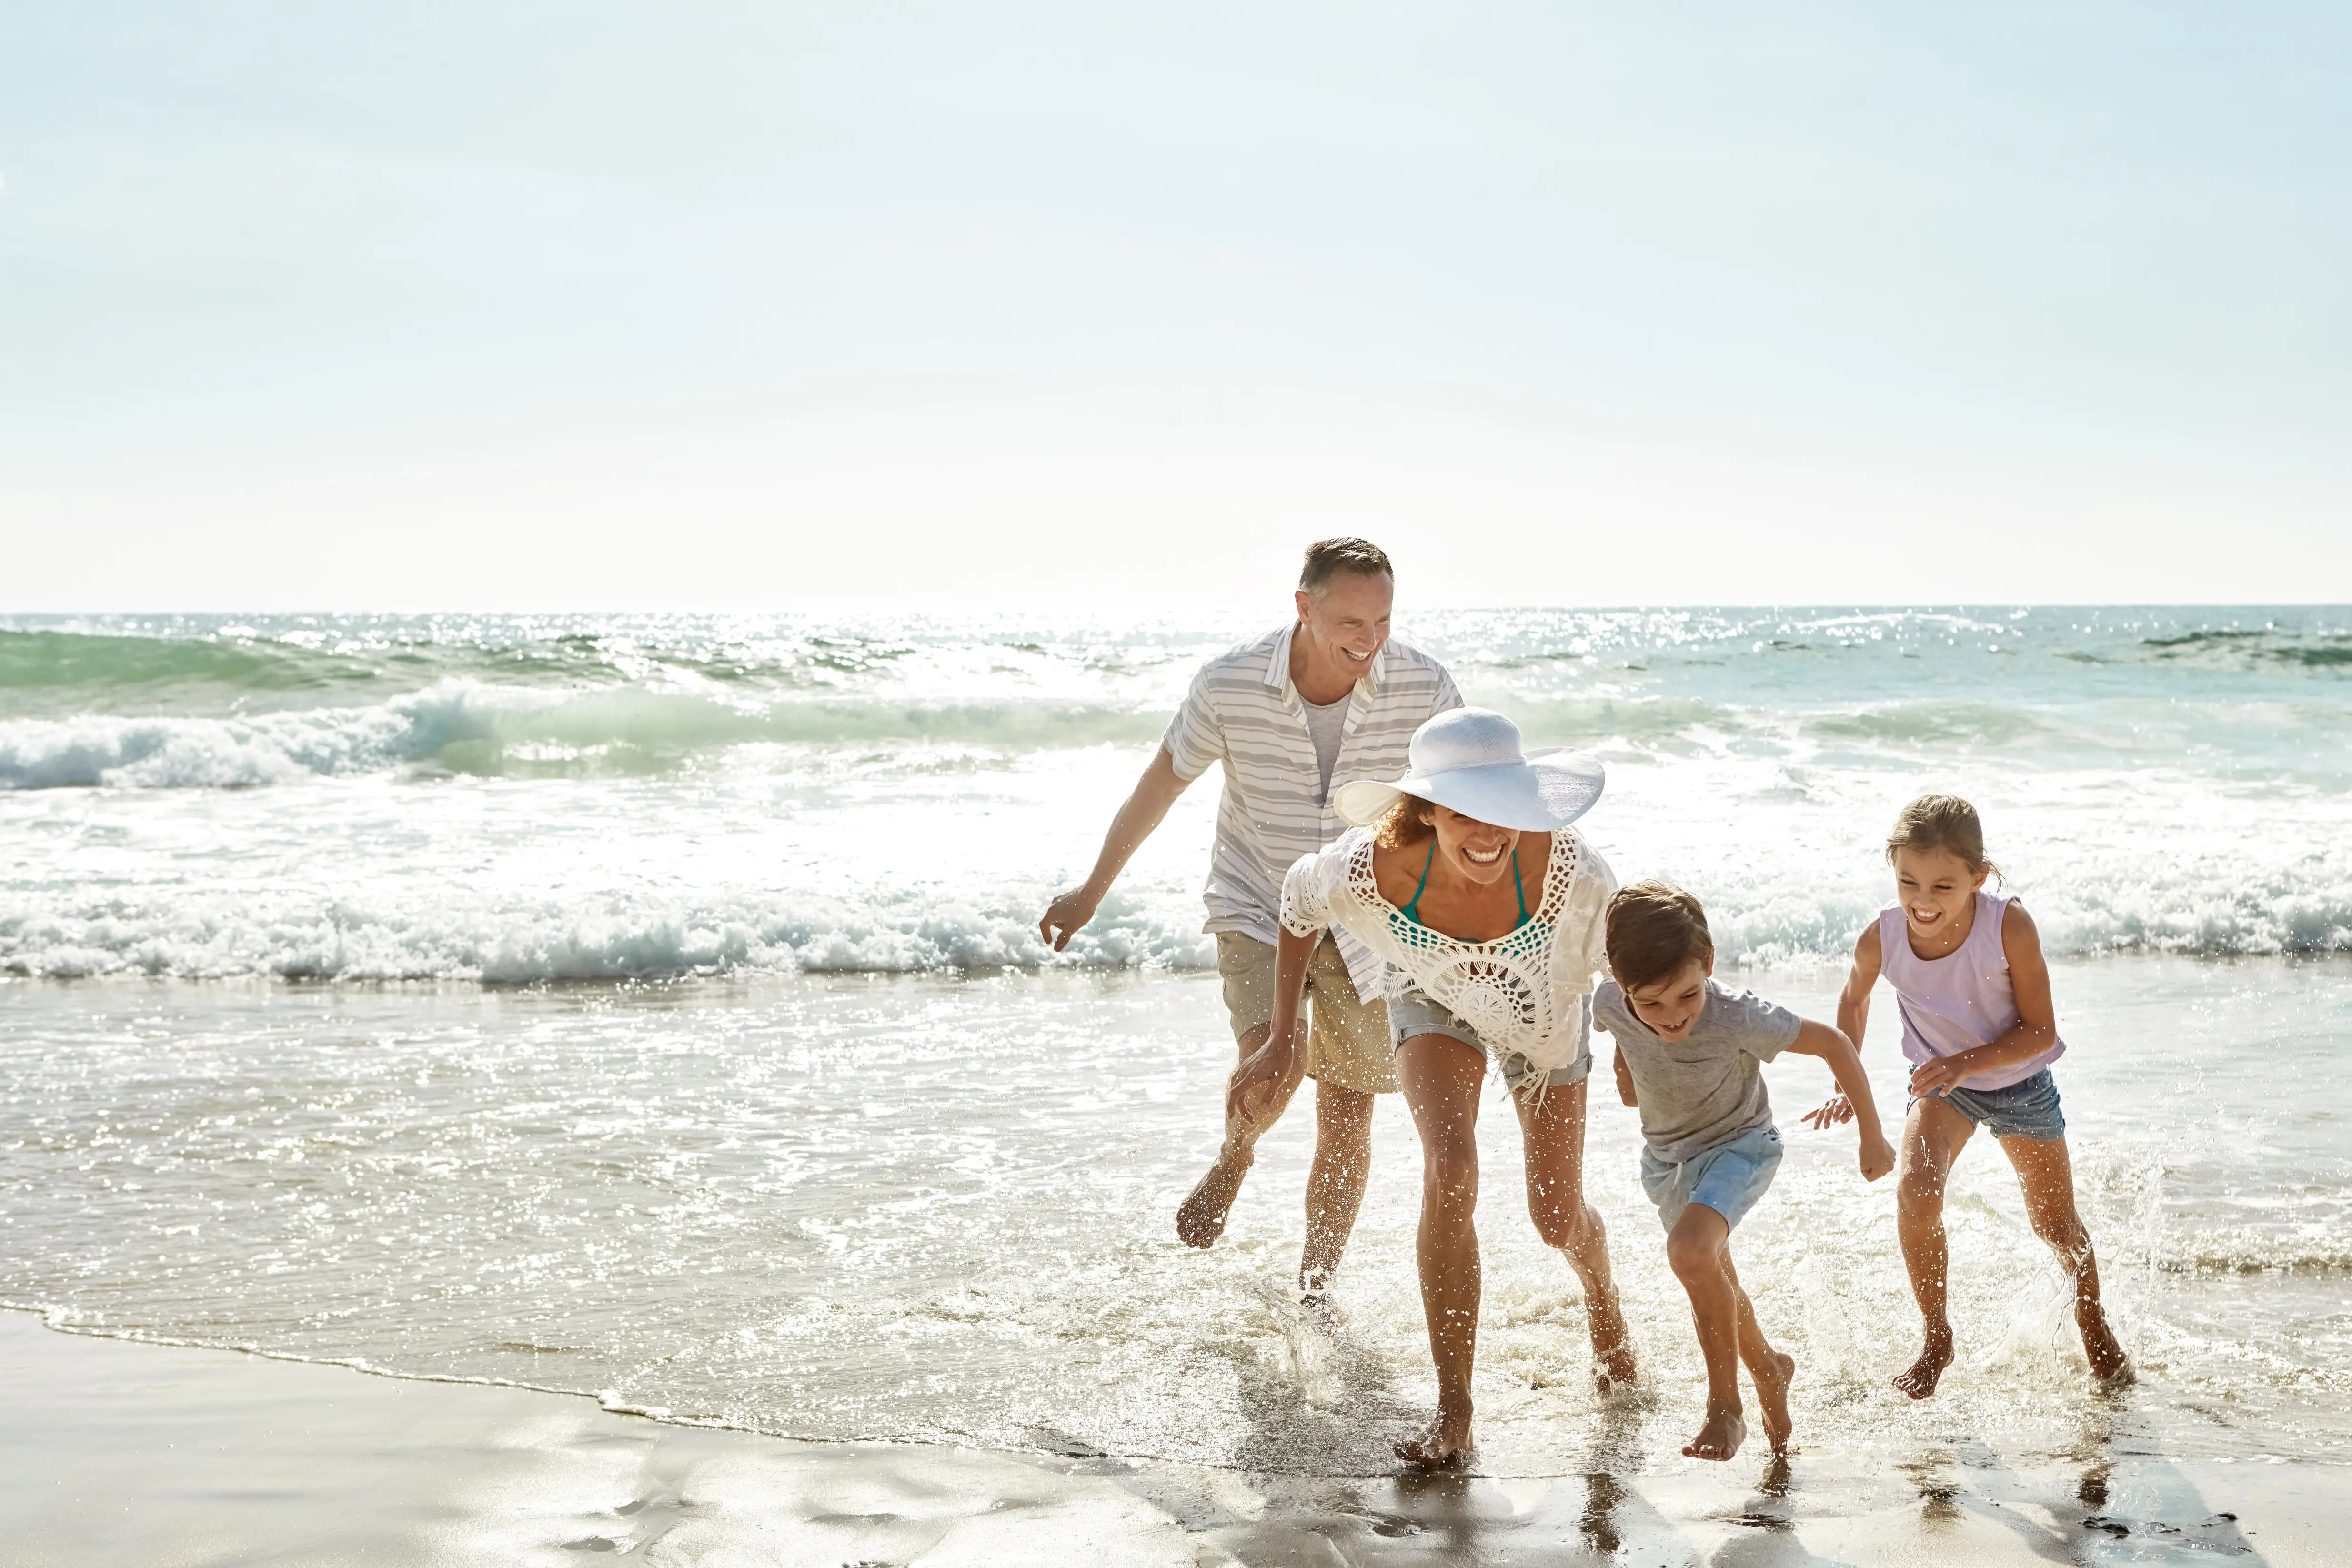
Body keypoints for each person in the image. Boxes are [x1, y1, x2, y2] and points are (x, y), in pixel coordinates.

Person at [1038, 538, 1460, 1301]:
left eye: (1382, 621)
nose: (1368, 641)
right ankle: (1237, 1154)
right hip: (1257, 902)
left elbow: (1470, 804)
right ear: (1303, 607)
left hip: (1368, 919)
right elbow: (1161, 784)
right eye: (1350, 622)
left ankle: (1315, 1286)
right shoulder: (1230, 683)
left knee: (1348, 1112)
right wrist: (1092, 890)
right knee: (1275, 1060)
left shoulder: (1424, 687)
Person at [1234, 707, 1634, 1467]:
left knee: (1554, 1214)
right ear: (1426, 812)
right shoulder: (1367, 870)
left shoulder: (1575, 874)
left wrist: (1630, 1052)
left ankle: (1605, 1307)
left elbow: (1619, 966)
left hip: (1545, 1009)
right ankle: (1455, 1410)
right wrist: (1285, 1037)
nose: (1487, 834)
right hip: (1432, 993)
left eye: (1501, 814)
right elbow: (1296, 903)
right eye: (1462, 814)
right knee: (1449, 1171)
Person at [1809, 794, 2132, 1398]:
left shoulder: (2007, 924)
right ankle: (1937, 1336)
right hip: (1941, 1086)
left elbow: (2042, 1031)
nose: (1922, 902)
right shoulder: (1881, 936)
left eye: (1943, 886)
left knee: (2056, 1224)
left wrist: (1963, 1063)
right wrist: (1843, 1081)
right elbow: (1854, 1000)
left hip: (2018, 1082)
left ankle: (2093, 1318)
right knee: (1917, 1189)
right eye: (1908, 881)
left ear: (1978, 878)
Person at [1594, 882, 1895, 1462]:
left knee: (1688, 1253)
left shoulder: (1737, 1016)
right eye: (1649, 1004)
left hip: (1741, 1146)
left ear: (1707, 963)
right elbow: (1621, 1031)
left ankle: (1724, 1408)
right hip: (1667, 1163)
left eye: (1686, 995)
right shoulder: (1611, 1002)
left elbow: (1833, 1042)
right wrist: (1627, 1069)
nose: (1672, 1017)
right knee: (1712, 1273)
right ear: (1619, 979)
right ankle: (1770, 1370)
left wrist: (1872, 1133)